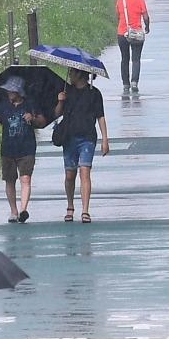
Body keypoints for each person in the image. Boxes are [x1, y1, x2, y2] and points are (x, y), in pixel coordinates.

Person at [0, 75, 48, 224]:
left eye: (11, 90)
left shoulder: (30, 104)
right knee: (10, 180)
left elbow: (42, 121)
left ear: (18, 91)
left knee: (25, 178)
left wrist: (32, 118)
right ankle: (13, 211)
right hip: (8, 149)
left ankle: (23, 209)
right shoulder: (3, 105)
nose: (8, 93)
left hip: (27, 148)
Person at [53, 68, 109, 223]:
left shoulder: (94, 94)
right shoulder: (66, 91)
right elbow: (57, 114)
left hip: (87, 138)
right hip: (68, 137)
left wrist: (105, 139)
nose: (70, 74)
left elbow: (100, 117)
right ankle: (70, 207)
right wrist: (60, 101)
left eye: (72, 72)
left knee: (85, 172)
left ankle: (85, 210)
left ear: (80, 74)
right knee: (70, 175)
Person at [115, 0, 150, 93]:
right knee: (136, 59)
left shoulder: (120, 0)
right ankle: (134, 82)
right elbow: (145, 17)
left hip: (122, 32)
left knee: (124, 59)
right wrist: (147, 27)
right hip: (137, 33)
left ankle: (125, 84)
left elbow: (118, 17)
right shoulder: (140, 0)